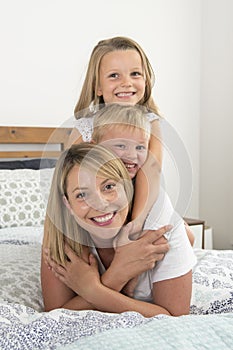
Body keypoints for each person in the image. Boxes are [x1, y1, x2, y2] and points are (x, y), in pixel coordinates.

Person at [41, 142, 196, 317]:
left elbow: (176, 317)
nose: (100, 204)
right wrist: (117, 275)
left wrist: (93, 290)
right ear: (67, 204)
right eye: (82, 195)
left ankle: (186, 233)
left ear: (127, 187)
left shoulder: (161, 228)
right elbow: (53, 318)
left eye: (108, 186)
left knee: (182, 234)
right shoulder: (59, 239)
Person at [67, 36, 163, 236]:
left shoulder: (150, 121)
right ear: (98, 87)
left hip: (141, 209)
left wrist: (136, 224)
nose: (127, 83)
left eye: (135, 73)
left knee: (186, 236)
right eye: (114, 76)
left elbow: (151, 170)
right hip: (99, 211)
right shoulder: (86, 126)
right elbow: (69, 178)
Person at [92, 103, 195, 246]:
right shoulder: (89, 185)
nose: (132, 155)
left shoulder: (144, 187)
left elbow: (188, 239)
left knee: (186, 234)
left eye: (140, 147)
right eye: (121, 146)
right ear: (94, 146)